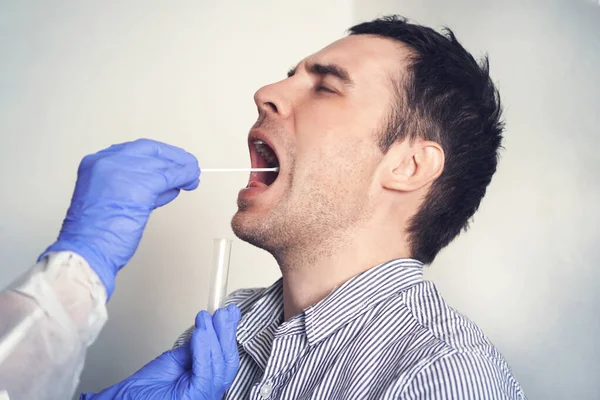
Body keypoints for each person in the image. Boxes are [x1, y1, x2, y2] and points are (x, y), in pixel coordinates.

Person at [0, 14, 528, 400]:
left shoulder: (441, 376)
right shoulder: (233, 324)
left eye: (324, 86)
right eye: (289, 75)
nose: (265, 92)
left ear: (408, 166)